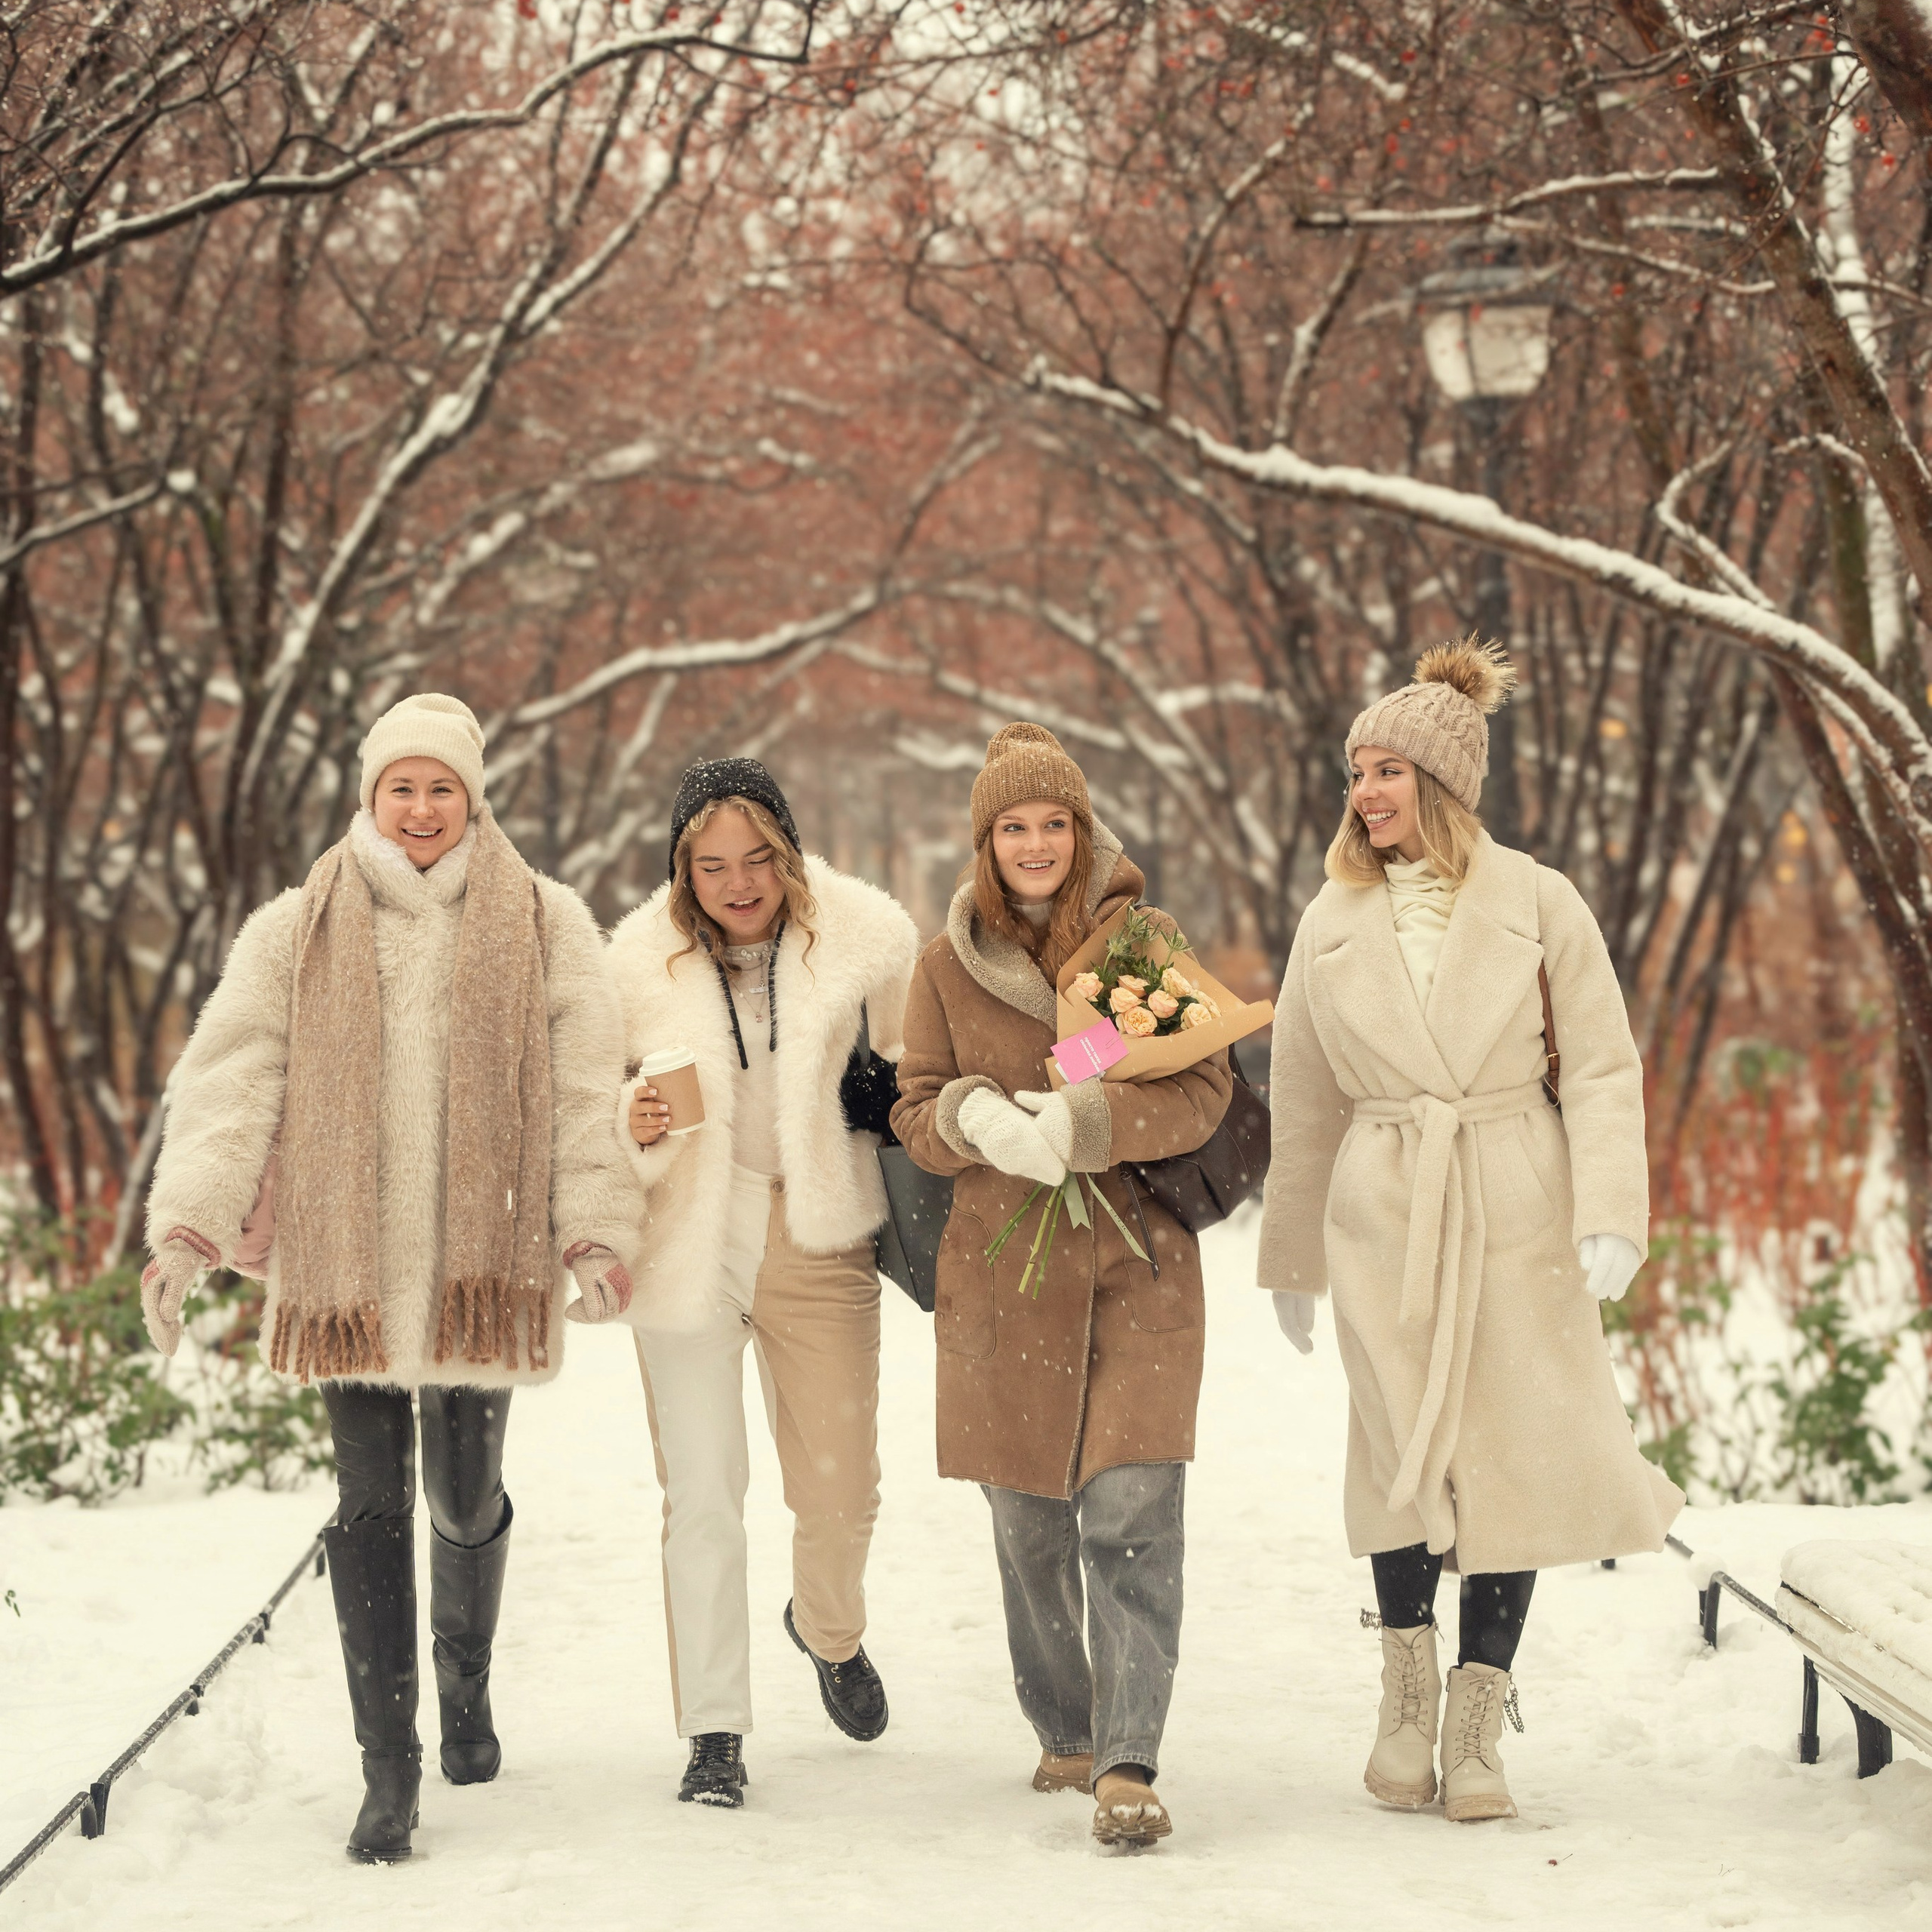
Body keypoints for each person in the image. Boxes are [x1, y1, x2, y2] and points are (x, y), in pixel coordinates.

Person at [140, 694, 638, 1863]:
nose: (420, 808)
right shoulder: (295, 926)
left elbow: (582, 1085)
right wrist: (189, 1225)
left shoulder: (545, 920)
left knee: (464, 1499)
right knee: (368, 1504)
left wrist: (598, 1229)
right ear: (370, 795)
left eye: (441, 788)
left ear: (474, 798)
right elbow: (230, 1079)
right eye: (400, 787)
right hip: (346, 1264)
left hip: (482, 1257)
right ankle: (390, 1770)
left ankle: (464, 1690)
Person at [1258, 638, 1684, 1823]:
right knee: (1398, 1451)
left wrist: (1609, 1214)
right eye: (1357, 770)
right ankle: (1404, 1689)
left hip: (1516, 1195)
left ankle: (1477, 1718)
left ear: (1442, 781)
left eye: (1389, 768)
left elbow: (1603, 1067)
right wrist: (1291, 1255)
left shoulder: (1541, 903)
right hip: (1387, 1197)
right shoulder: (1329, 918)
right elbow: (1304, 1093)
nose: (1366, 791)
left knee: (1511, 1453)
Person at [891, 722, 1232, 1850]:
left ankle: (1129, 1759)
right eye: (1013, 826)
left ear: (1082, 834)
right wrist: (970, 1117)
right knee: (1029, 1525)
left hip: (1138, 1267)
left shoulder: (1143, 943)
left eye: (1054, 823)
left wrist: (1084, 1119)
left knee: (1135, 1507)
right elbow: (912, 1108)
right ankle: (1067, 1725)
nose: (1036, 843)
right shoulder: (944, 967)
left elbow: (1203, 1093)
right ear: (985, 843)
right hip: (1004, 1272)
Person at [607, 758, 918, 1807]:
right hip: (688, 1233)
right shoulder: (632, 967)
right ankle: (714, 1733)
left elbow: (933, 1071)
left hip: (818, 1229)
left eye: (757, 858)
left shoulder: (870, 940)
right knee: (701, 1494)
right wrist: (629, 1126)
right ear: (681, 871)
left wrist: (887, 1094)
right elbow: (590, 1117)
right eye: (711, 864)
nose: (738, 883)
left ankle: (827, 1628)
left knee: (839, 1487)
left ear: (788, 852)